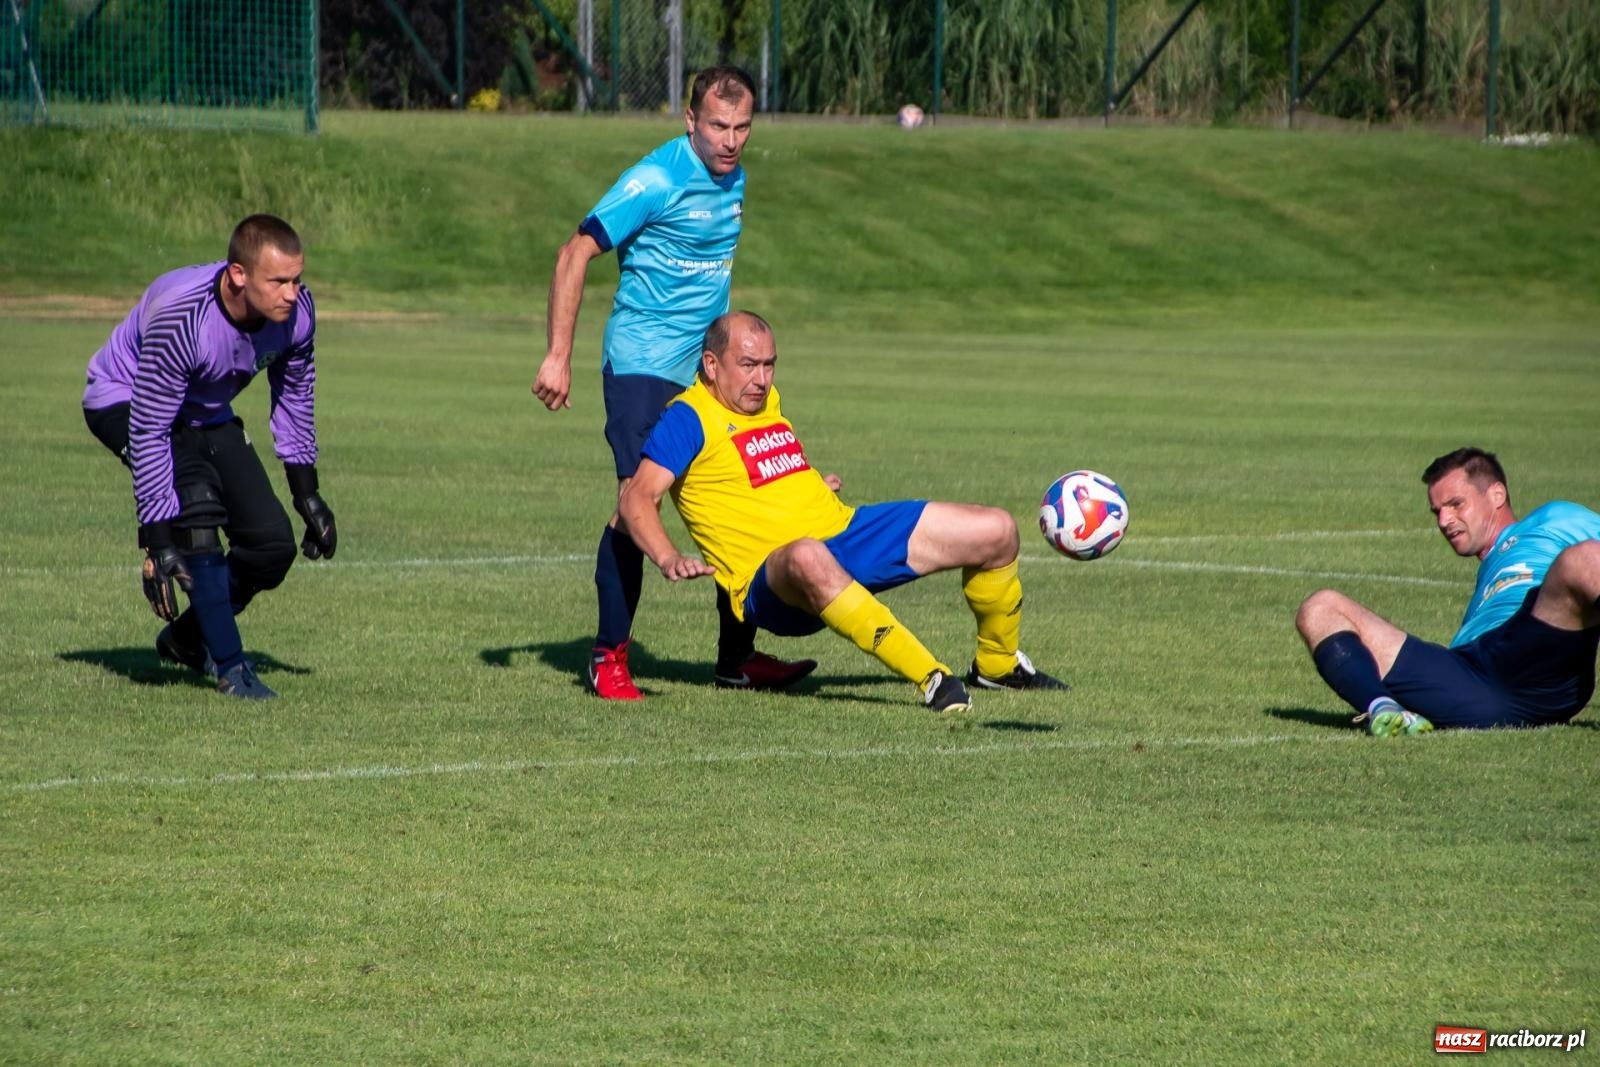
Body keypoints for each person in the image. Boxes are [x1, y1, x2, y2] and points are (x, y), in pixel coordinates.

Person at [616, 311, 1068, 715]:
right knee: (807, 554)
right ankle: (933, 679)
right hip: (775, 582)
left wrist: (812, 481)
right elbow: (636, 497)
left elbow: (756, 467)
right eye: (748, 365)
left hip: (845, 531)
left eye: (770, 365)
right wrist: (667, 555)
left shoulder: (764, 401)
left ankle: (997, 665)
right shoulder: (688, 418)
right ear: (712, 365)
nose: (761, 379)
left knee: (996, 530)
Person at [532, 64, 813, 701]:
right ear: (690, 120)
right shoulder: (655, 178)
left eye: (742, 127)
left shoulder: (735, 177)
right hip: (642, 365)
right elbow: (574, 252)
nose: (731, 141)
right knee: (635, 504)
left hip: (705, 368)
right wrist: (557, 355)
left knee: (745, 495)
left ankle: (737, 660)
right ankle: (608, 657)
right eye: (717, 126)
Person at [82, 214, 337, 700]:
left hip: (204, 412)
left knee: (271, 547)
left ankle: (186, 638)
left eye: (297, 279)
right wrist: (158, 540)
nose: (292, 293)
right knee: (196, 505)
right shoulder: (184, 318)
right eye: (278, 281)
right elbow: (151, 428)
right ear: (238, 274)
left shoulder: (297, 314)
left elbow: (296, 397)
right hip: (126, 400)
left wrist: (307, 493)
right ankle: (231, 667)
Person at [1296, 447, 1600, 735]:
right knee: (1321, 607)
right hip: (1470, 681)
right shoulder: (1488, 578)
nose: (1444, 521)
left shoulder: (1552, 520)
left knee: (1585, 559)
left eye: (1456, 504)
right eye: (1437, 512)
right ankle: (1385, 709)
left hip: (1536, 653)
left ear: (1497, 494)